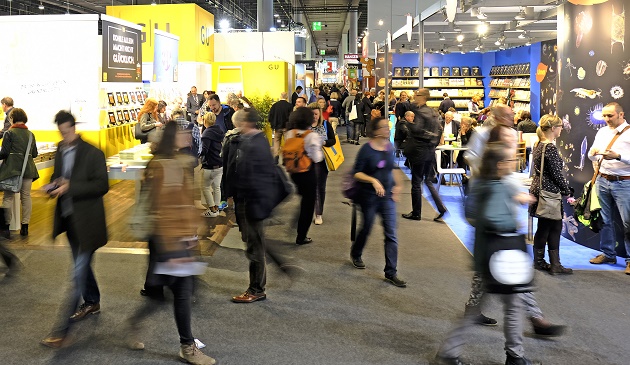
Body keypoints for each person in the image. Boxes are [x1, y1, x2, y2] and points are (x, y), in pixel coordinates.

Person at [436, 142, 542, 365]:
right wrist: (513, 217)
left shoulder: (481, 184)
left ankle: (449, 353)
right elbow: (495, 219)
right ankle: (514, 356)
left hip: (487, 254)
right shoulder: (498, 187)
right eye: (511, 161)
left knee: (484, 307)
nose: (515, 164)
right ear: (501, 164)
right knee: (511, 307)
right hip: (502, 255)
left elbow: (473, 216)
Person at [126, 121, 216, 365]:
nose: (188, 137)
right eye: (184, 134)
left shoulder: (176, 162)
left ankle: (135, 323)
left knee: (164, 293)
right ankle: (187, 346)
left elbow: (183, 203)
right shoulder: (163, 166)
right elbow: (163, 208)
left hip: (176, 238)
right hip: (168, 240)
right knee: (181, 291)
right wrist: (174, 246)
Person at [41, 111, 109, 348]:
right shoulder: (60, 149)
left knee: (77, 274)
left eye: (68, 131)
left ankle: (61, 332)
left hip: (89, 223)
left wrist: (71, 186)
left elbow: (102, 185)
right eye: (61, 132)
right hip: (69, 221)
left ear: (75, 127)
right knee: (82, 267)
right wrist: (52, 185)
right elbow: (58, 176)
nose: (65, 136)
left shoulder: (93, 153)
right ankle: (92, 301)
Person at [232, 109, 294, 303]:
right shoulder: (258, 141)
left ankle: (256, 289)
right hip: (254, 204)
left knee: (255, 248)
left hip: (254, 205)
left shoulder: (254, 145)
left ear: (245, 123)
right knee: (257, 245)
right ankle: (268, 277)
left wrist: (254, 206)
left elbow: (256, 180)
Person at [351, 116, 406, 287]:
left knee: (391, 234)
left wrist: (397, 185)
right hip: (368, 196)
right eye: (384, 127)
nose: (387, 129)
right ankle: (356, 252)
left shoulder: (389, 147)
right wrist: (373, 181)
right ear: (375, 131)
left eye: (388, 127)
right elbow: (357, 173)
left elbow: (393, 168)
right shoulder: (366, 150)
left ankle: (391, 272)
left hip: (387, 197)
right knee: (366, 227)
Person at [587, 102, 630, 275]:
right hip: (602, 180)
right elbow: (591, 154)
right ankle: (608, 253)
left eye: (610, 115)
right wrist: (593, 154)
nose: (606, 119)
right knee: (604, 220)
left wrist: (618, 156)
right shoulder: (602, 131)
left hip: (624, 182)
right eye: (604, 115)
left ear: (621, 114)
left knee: (628, 223)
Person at [529, 115, 573, 275]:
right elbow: (556, 174)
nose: (562, 129)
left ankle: (541, 262)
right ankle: (554, 265)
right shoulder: (550, 148)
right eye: (560, 126)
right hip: (549, 193)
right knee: (552, 227)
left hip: (540, 190)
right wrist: (566, 190)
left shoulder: (539, 144)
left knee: (545, 227)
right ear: (553, 128)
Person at [401, 88, 447, 221]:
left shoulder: (420, 112)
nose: (415, 95)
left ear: (423, 97)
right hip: (429, 151)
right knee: (427, 180)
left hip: (419, 151)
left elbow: (417, 130)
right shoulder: (432, 112)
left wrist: (408, 124)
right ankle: (441, 208)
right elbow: (438, 129)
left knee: (416, 182)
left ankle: (416, 213)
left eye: (417, 94)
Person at [285, 107, 323, 245]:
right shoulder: (311, 136)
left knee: (303, 198)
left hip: (293, 172)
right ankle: (301, 236)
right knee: (308, 205)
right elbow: (317, 157)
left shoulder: (290, 133)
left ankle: (298, 220)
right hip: (307, 172)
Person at [0, 108, 39, 237]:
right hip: (27, 169)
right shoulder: (30, 135)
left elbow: (4, 153)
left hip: (11, 170)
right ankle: (25, 227)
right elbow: (34, 154)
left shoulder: (9, 134)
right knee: (26, 197)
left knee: (8, 198)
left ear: (12, 119)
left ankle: (5, 228)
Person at [307, 103, 335, 226]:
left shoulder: (325, 124)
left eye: (316, 114)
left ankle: (318, 213)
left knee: (320, 187)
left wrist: (323, 142)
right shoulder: (304, 126)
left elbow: (333, 140)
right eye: (312, 114)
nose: (314, 116)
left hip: (322, 161)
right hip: (306, 161)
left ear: (320, 114)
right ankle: (307, 212)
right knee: (308, 188)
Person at [200, 112, 225, 218]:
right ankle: (216, 209)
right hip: (219, 164)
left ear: (205, 121)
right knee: (217, 188)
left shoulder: (206, 134)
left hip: (209, 165)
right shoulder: (220, 131)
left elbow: (204, 150)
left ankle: (212, 210)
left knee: (205, 187)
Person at [268, 92, 293, 162]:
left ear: (280, 96)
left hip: (277, 127)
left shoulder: (275, 105)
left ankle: (276, 156)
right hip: (286, 127)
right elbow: (291, 117)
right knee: (287, 142)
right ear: (287, 97)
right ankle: (286, 157)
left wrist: (273, 125)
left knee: (276, 141)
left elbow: (270, 116)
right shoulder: (290, 106)